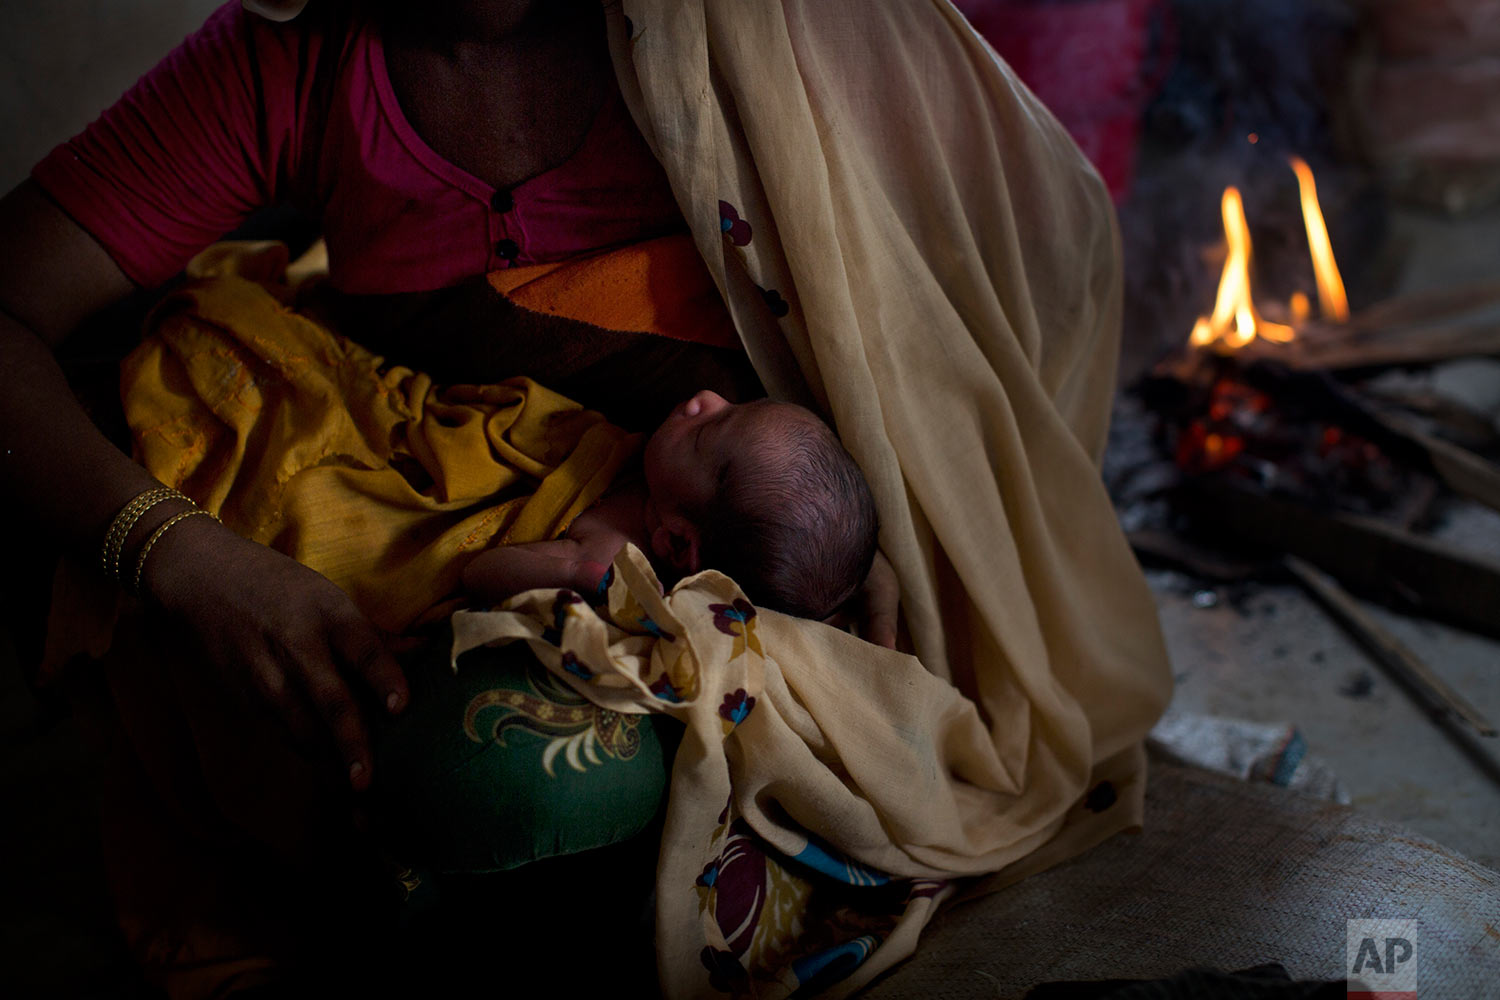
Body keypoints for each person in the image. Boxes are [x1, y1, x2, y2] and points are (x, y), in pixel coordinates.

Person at [3, 0, 1174, 995]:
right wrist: (183, 555)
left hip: (732, 565)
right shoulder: (288, 69)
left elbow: (1014, 247)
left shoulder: (744, 38)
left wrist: (892, 467)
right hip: (453, 496)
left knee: (499, 782)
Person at [463, 388, 880, 622]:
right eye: (737, 403)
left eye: (705, 432)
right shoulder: (668, 488)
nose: (706, 398)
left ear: (678, 544)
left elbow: (478, 573)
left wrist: (571, 573)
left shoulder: (613, 554)